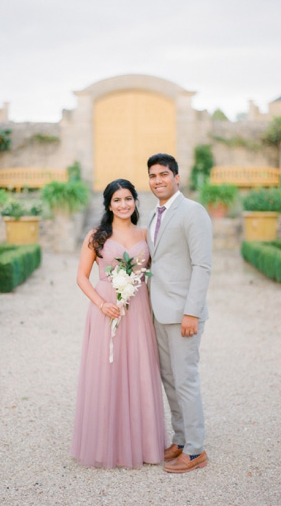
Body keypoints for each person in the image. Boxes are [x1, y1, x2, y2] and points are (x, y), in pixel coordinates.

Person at [71, 179, 165, 468]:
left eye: (128, 199)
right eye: (117, 200)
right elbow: (82, 277)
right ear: (108, 205)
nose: (123, 204)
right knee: (105, 371)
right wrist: (101, 305)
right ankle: (104, 446)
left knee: (138, 369)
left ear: (135, 201)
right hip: (106, 308)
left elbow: (156, 270)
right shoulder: (97, 236)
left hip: (136, 307)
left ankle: (143, 444)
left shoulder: (147, 233)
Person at [146, 153, 212, 473]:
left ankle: (197, 450)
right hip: (159, 311)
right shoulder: (154, 214)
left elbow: (202, 265)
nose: (158, 180)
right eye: (153, 175)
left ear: (177, 177)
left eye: (164, 174)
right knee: (170, 379)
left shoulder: (192, 211)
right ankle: (182, 439)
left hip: (184, 313)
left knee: (186, 379)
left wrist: (192, 312)